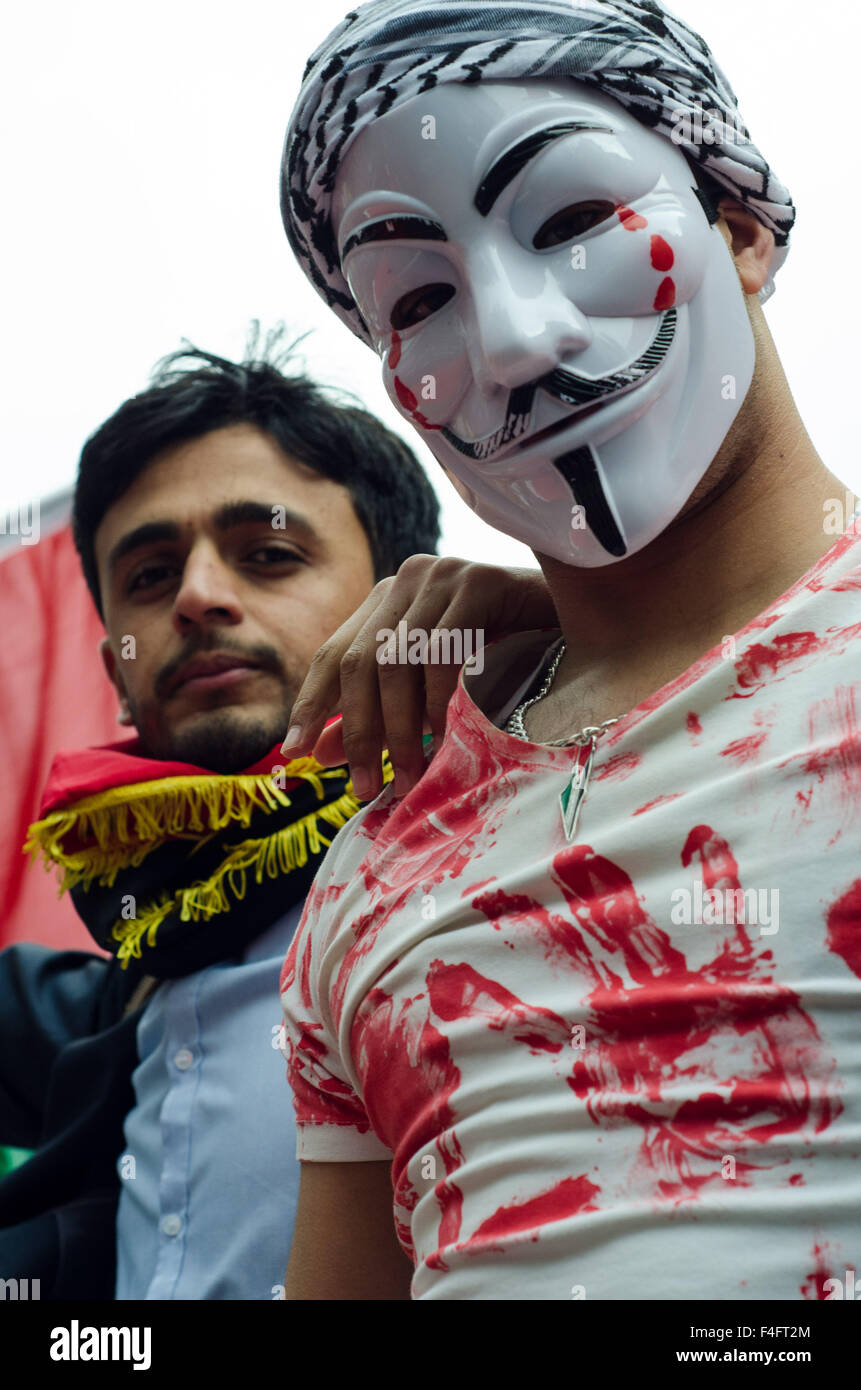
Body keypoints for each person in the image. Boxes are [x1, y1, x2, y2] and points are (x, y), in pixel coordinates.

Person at [277, 0, 861, 1300]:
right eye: (418, 296)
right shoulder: (377, 852)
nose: (515, 338)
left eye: (576, 223)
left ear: (742, 226)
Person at [0, 330, 555, 1299]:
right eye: (148, 577)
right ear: (114, 676)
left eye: (267, 554)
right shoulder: (122, 977)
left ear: (405, 598)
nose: (201, 598)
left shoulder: (543, 843)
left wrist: (561, 619)